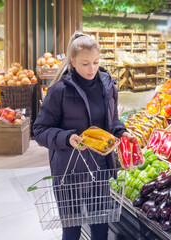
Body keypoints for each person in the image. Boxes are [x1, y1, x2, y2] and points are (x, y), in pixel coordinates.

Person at [33, 31, 132, 240]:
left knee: (100, 228)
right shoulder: (59, 90)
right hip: (69, 171)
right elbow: (40, 130)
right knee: (71, 230)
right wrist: (67, 138)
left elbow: (112, 121)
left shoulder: (107, 85)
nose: (92, 69)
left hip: (100, 168)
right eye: (85, 63)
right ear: (73, 61)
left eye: (96, 62)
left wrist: (123, 131)